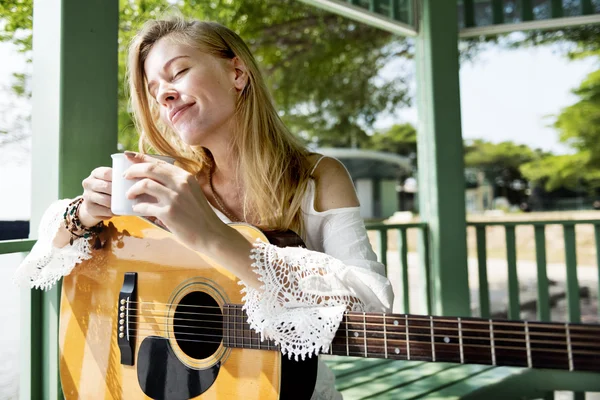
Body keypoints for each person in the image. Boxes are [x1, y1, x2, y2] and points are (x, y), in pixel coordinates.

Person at [15, 16, 394, 400]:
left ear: (238, 73)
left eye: (177, 72)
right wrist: (82, 213)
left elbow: (372, 304)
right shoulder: (173, 183)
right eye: (154, 89)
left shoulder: (319, 177)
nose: (163, 95)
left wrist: (214, 237)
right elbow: (54, 247)